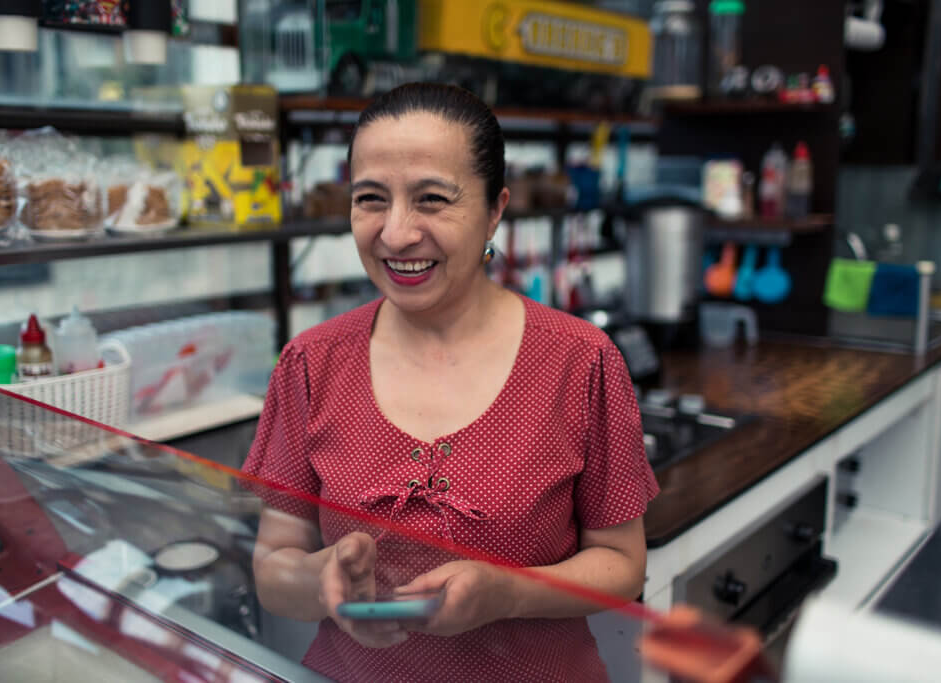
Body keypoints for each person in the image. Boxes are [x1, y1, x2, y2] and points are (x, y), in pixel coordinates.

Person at [242, 82, 659, 682]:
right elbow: (273, 564)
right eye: (371, 199)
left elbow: (622, 564)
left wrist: (508, 593)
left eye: (433, 199)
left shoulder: (580, 360)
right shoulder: (311, 364)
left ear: (495, 209)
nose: (397, 233)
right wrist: (322, 581)